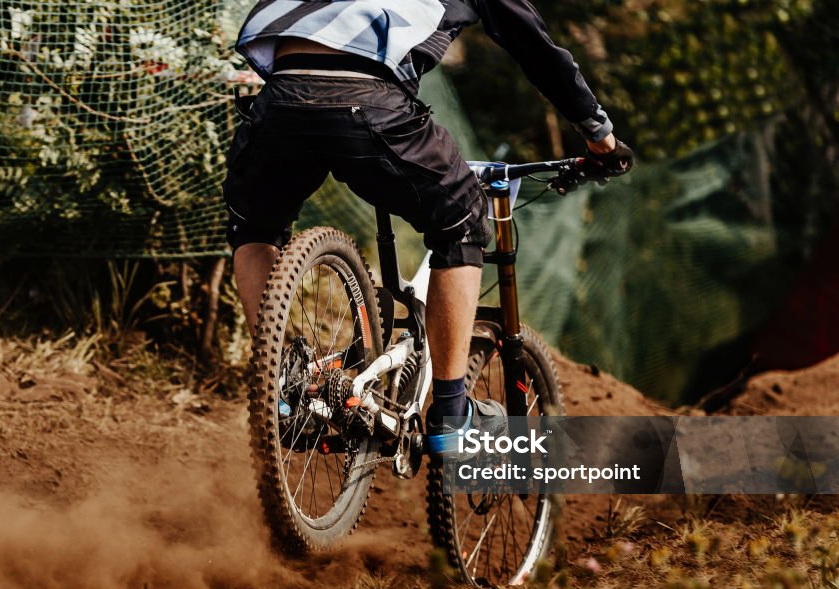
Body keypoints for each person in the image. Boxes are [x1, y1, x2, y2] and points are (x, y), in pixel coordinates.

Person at [222, 0, 634, 455]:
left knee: (254, 226)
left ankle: (281, 385)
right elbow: (534, 45)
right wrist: (601, 137)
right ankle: (452, 412)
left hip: (279, 100)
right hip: (369, 103)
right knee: (463, 223)